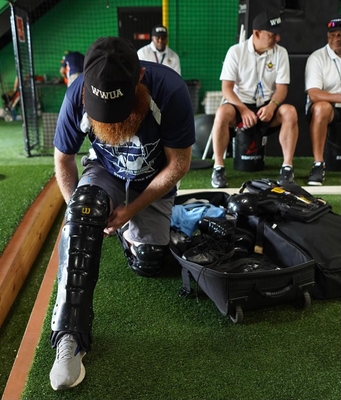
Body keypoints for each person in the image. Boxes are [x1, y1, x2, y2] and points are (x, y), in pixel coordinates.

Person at [49, 36, 195, 391]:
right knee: (84, 211)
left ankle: (139, 232)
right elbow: (63, 160)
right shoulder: (76, 94)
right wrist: (80, 218)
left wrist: (131, 210)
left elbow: (179, 164)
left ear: (140, 78)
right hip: (106, 173)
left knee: (149, 263)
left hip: (152, 180)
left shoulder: (170, 91)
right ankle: (70, 338)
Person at [210, 11, 299, 188]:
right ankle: (218, 167)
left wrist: (272, 106)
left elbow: (282, 88)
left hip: (267, 106)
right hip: (240, 105)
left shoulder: (280, 53)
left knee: (290, 112)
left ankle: (287, 168)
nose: (278, 38)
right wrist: (242, 109)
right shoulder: (236, 52)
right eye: (273, 34)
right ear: (257, 33)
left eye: (278, 34)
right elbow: (226, 88)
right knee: (221, 113)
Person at [304, 16, 341, 186]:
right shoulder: (317, 58)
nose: (336, 39)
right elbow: (314, 94)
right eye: (332, 35)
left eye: (340, 35)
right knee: (321, 108)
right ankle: (318, 164)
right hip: (330, 107)